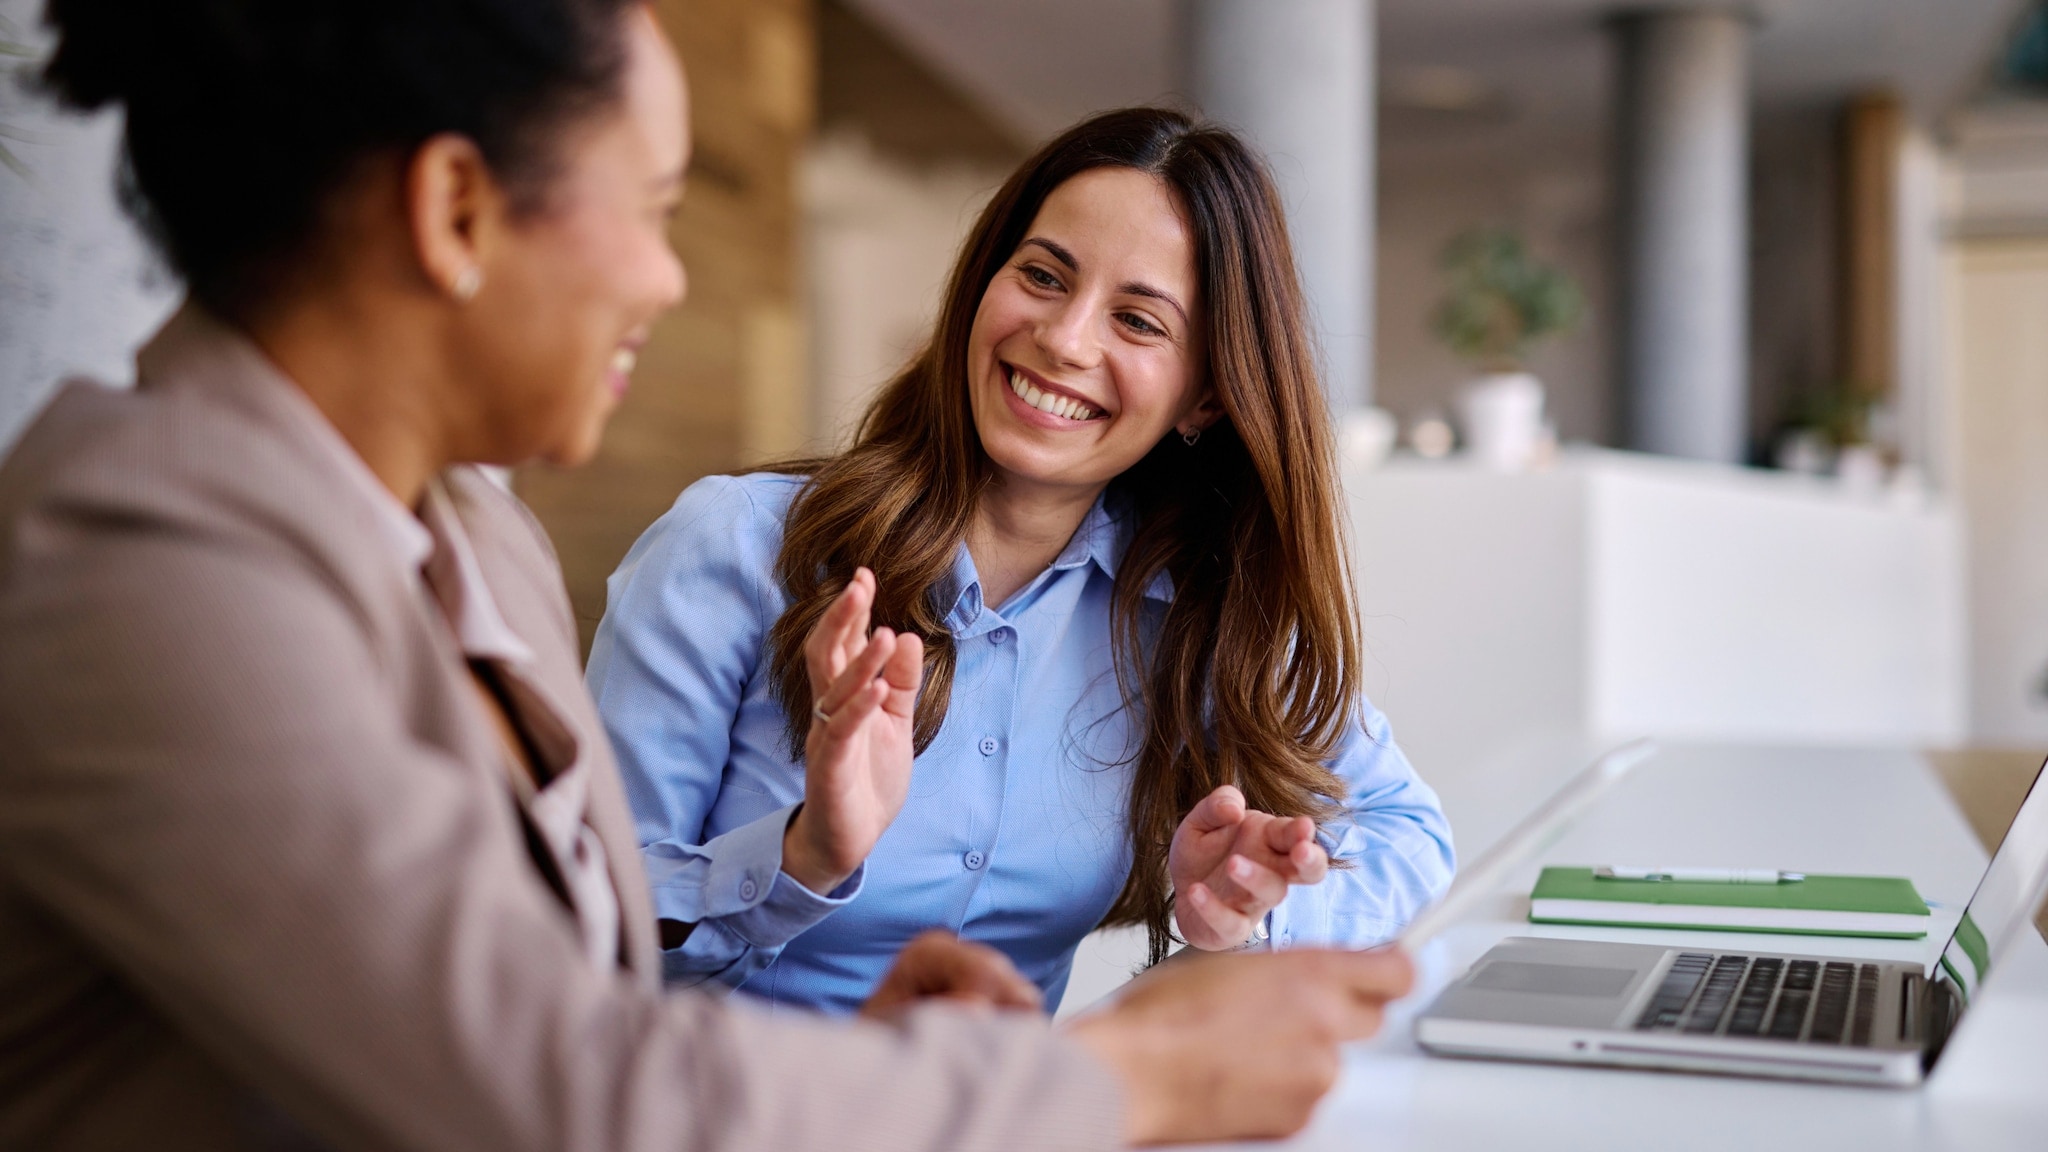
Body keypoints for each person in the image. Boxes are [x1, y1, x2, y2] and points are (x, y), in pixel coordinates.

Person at [0, 1, 1416, 1150]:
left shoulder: (468, 536)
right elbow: (555, 1092)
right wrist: (1131, 1079)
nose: (671, 282)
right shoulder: (144, 572)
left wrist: (867, 1053)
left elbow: (557, 999)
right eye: (653, 206)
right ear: (455, 212)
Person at [589, 108, 1456, 1014]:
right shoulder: (736, 547)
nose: (1066, 339)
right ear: (982, 288)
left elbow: (1411, 836)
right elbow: (586, 929)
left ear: (1204, 397)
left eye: (1138, 320)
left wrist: (1243, 913)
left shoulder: (1192, 608)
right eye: (1043, 276)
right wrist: (805, 854)